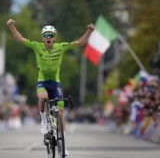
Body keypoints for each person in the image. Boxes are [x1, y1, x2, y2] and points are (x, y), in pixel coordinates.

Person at [7, 18, 95, 155]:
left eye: (51, 36)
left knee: (60, 116)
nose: (48, 38)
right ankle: (43, 121)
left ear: (54, 38)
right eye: (46, 36)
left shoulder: (61, 47)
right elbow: (20, 39)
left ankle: (63, 145)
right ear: (43, 38)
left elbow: (79, 43)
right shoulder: (37, 46)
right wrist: (11, 27)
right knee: (43, 97)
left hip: (56, 83)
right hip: (42, 82)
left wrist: (89, 31)